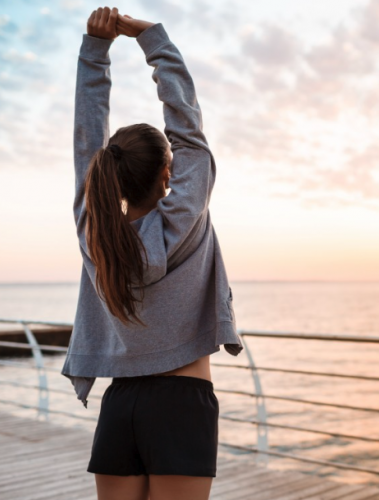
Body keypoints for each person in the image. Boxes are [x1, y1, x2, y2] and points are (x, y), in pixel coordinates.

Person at [61, 6, 244, 500]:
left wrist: (94, 52)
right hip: (183, 403)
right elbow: (190, 130)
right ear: (169, 176)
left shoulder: (95, 236)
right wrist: (153, 40)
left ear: (108, 177)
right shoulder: (185, 218)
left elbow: (86, 141)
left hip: (121, 401)